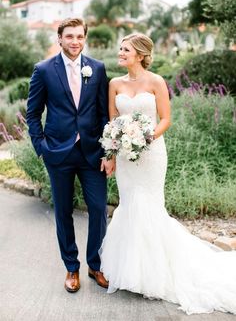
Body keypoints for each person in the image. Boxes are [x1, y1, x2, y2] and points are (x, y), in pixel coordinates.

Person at [99, 33, 236, 315]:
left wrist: (144, 138)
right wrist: (111, 155)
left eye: (125, 49)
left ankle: (155, 272)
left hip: (151, 153)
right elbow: (112, 123)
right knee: (129, 205)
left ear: (139, 54)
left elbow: (166, 118)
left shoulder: (157, 81)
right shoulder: (114, 84)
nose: (120, 53)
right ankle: (132, 272)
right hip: (125, 156)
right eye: (120, 49)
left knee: (150, 206)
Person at [27, 18, 114, 293]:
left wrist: (108, 151)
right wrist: (41, 147)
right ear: (60, 39)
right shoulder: (43, 70)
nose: (75, 41)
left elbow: (103, 114)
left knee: (99, 209)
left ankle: (95, 264)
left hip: (92, 153)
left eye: (79, 36)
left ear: (84, 38)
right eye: (70, 36)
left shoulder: (97, 69)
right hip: (58, 153)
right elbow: (32, 114)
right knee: (63, 212)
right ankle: (72, 268)